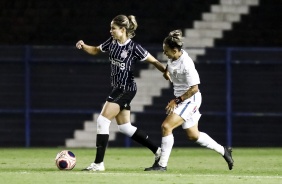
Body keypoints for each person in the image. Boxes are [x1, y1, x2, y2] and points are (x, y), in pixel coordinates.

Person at [76, 14, 169, 171]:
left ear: (123, 29)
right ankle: (158, 151)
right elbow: (96, 50)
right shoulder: (111, 43)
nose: (110, 30)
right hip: (118, 88)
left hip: (126, 88)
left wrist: (165, 72)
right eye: (110, 28)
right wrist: (84, 46)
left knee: (102, 121)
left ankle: (98, 164)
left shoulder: (134, 48)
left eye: (113, 28)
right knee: (125, 127)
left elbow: (153, 60)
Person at [144, 30, 234, 171]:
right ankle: (224, 150)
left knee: (166, 127)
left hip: (190, 99)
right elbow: (170, 65)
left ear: (175, 50)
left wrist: (176, 100)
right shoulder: (173, 56)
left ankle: (162, 165)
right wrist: (167, 71)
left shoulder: (187, 64)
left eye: (166, 51)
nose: (164, 53)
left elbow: (194, 89)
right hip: (183, 99)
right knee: (193, 135)